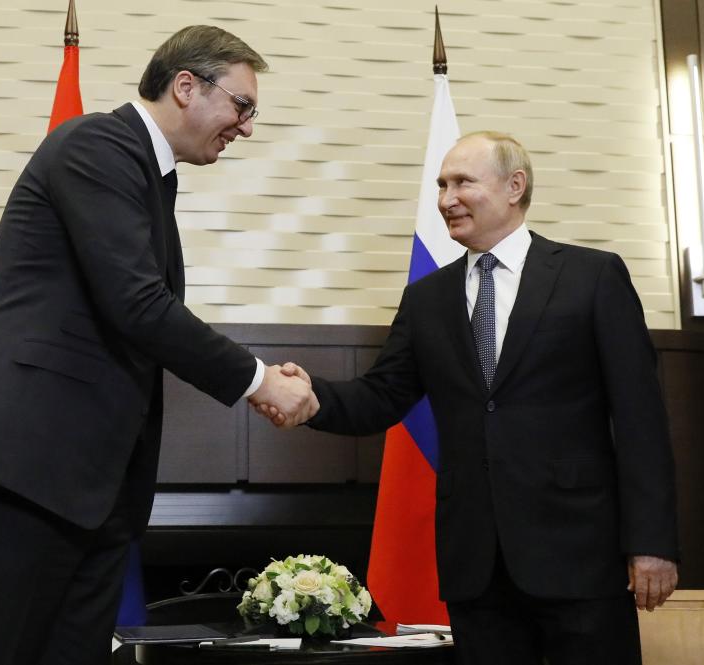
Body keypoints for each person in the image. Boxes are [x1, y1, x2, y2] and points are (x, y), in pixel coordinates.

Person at [0, 25, 317, 665]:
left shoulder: (151, 176)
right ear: (186, 87)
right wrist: (260, 381)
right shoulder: (97, 143)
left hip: (90, 488)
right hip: (20, 463)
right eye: (242, 106)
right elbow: (138, 305)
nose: (246, 127)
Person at [257, 131, 679, 665]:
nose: (445, 199)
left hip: (580, 557)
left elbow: (641, 419)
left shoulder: (591, 277)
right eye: (441, 185)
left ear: (514, 187)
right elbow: (383, 395)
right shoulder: (427, 298)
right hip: (476, 567)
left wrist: (652, 542)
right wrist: (311, 399)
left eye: (462, 182)